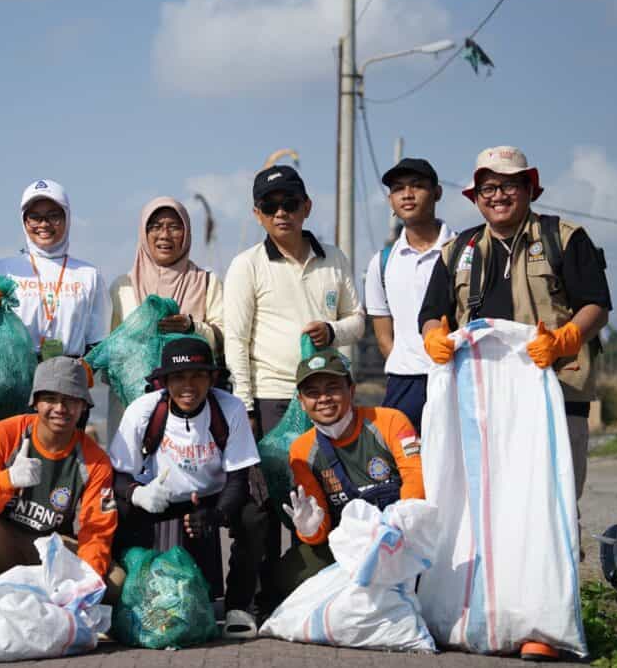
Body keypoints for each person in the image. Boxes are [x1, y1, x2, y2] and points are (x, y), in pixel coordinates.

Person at [418, 146, 612, 661]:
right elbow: (433, 313)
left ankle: (547, 625)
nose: (498, 195)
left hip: (555, 393)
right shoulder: (457, 249)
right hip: (478, 404)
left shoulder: (565, 238)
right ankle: (480, 614)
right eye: (488, 188)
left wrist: (569, 337)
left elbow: (597, 302)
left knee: (548, 505)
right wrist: (435, 335)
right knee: (482, 507)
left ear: (530, 189)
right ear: (476, 198)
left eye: (509, 185)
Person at [223, 164, 364, 614]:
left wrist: (332, 329)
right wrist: (244, 405)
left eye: (289, 203)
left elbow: (359, 321)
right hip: (269, 397)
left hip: (325, 399)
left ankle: (320, 598)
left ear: (307, 207)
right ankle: (250, 603)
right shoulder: (247, 265)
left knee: (325, 496)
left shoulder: (334, 258)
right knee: (261, 506)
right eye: (270, 206)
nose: (280, 213)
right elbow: (236, 340)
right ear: (258, 214)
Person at [109, 336, 265, 638]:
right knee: (113, 509)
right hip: (157, 497)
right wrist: (138, 494)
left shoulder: (230, 408)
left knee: (253, 515)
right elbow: (117, 476)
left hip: (210, 499)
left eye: (198, 376)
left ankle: (238, 607)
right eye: (178, 377)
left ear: (213, 378)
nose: (188, 386)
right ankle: (116, 604)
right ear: (164, 382)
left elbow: (238, 478)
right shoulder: (143, 411)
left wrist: (216, 515)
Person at [0, 357, 121, 603]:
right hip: (3, 543)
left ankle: (70, 613)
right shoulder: (3, 434)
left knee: (115, 581)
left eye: (71, 399)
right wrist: (7, 480)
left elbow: (96, 531)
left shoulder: (96, 460)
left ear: (84, 405)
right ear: (35, 402)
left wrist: (83, 586)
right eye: (50, 399)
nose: (60, 408)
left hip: (51, 551)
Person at [273, 349, 424, 607]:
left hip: (400, 536)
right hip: (348, 543)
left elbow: (416, 479)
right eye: (312, 393)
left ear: (351, 391)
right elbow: (319, 531)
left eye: (332, 388)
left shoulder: (389, 421)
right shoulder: (301, 449)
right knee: (290, 576)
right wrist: (309, 529)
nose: (323, 399)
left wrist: (396, 530)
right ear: (301, 401)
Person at [106, 195, 225, 437]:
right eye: (156, 226)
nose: (164, 235)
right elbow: (109, 352)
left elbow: (224, 338)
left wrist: (191, 328)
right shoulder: (122, 286)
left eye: (174, 226)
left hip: (192, 401)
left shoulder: (206, 282)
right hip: (131, 404)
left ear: (187, 232)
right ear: (143, 232)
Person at [364, 158, 454, 433]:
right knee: (405, 470)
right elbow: (383, 336)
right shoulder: (382, 261)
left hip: (454, 378)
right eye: (398, 188)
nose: (407, 194)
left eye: (417, 186)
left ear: (437, 193)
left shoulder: (463, 250)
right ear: (391, 200)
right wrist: (406, 361)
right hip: (404, 385)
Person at [0, 179, 109, 361]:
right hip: (17, 371)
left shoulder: (89, 274)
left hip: (68, 373)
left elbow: (98, 340)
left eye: (54, 216)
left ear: (67, 218)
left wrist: (86, 370)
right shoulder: (5, 269)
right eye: (34, 217)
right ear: (24, 220)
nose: (44, 224)